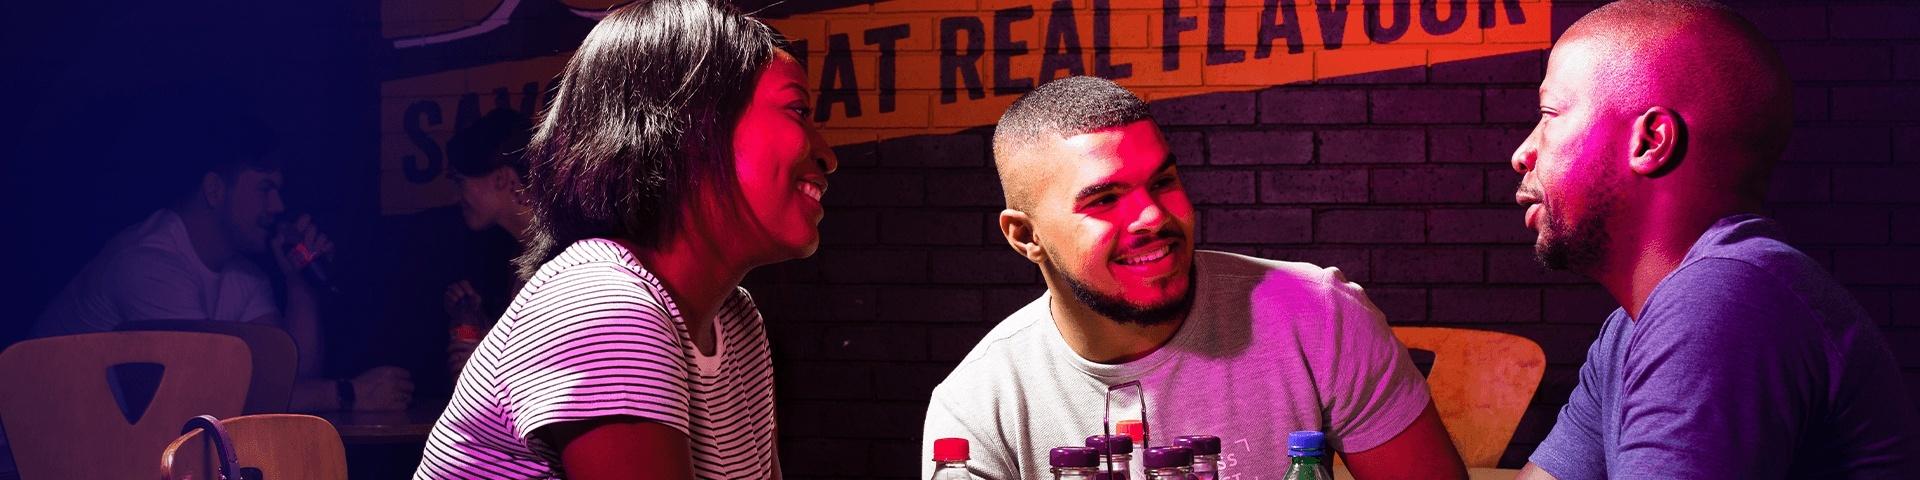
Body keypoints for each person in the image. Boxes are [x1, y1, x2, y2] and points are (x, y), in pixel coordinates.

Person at [920, 76, 1466, 480]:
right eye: (1105, 199)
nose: (1153, 216)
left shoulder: (1320, 314)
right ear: (1025, 235)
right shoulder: (977, 407)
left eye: (1163, 182)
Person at [414, 0, 837, 477]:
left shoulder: (737, 323)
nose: (828, 155)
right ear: (690, 128)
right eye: (797, 110)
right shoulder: (604, 304)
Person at [1509, 1, 1920, 478]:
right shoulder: (1628, 331)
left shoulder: (1722, 299)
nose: (1522, 153)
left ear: (1650, 142)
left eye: (1549, 114)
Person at [30, 116, 414, 413]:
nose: (278, 206)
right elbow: (201, 398)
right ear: (215, 190)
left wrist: (299, 285)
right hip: (35, 463)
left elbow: (292, 380)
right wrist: (349, 393)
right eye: (265, 188)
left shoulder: (244, 275)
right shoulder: (150, 264)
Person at [355, 108, 530, 407]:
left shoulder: (562, 252)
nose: (454, 196)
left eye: (460, 182)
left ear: (501, 178)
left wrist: (488, 353)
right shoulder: (521, 251)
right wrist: (481, 325)